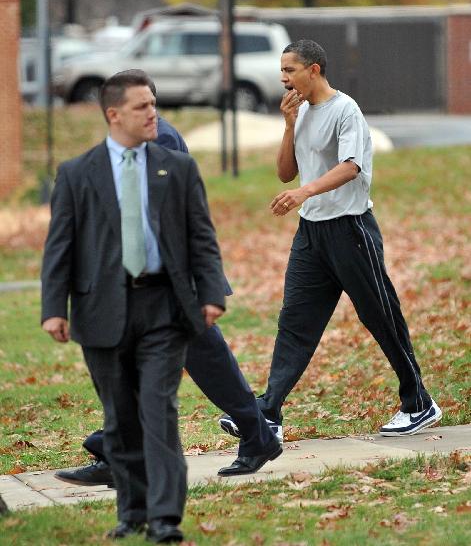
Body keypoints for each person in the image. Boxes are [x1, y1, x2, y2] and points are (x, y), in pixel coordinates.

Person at [219, 39, 442, 443]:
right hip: (312, 235)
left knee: (381, 317)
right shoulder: (299, 112)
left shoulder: (345, 110)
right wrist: (288, 127)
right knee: (295, 323)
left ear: (314, 70)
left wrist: (306, 193)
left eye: (290, 70)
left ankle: (418, 403)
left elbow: (352, 167)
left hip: (351, 230)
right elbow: (287, 173)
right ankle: (268, 413)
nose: (284, 79)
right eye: (281, 72)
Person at [41, 69, 227, 543]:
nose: (153, 114)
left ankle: (165, 519)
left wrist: (209, 295)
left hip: (164, 307)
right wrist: (53, 307)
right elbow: (59, 247)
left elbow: (200, 238)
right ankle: (132, 512)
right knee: (119, 418)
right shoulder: (77, 173)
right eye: (142, 106)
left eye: (154, 104)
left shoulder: (176, 167)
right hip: (101, 310)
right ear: (114, 114)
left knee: (157, 410)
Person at [54, 113, 282, 490]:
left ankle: (121, 452)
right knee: (187, 363)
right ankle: (127, 451)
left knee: (200, 362)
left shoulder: (161, 139)